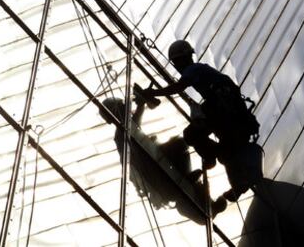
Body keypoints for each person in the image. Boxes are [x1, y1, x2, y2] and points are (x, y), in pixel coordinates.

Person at [99, 94, 227, 221]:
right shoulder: (123, 131)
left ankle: (191, 179)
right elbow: (135, 123)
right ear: (115, 113)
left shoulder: (124, 130)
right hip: (157, 170)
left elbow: (136, 121)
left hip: (158, 170)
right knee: (180, 144)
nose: (127, 109)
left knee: (179, 145)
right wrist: (141, 104)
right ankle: (191, 174)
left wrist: (141, 104)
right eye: (122, 107)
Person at [141, 40, 255, 169]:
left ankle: (211, 155)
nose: (177, 66)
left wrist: (154, 92)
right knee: (226, 154)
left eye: (176, 62)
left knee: (191, 134)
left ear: (182, 59)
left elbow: (178, 87)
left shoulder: (193, 69)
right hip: (230, 115)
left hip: (222, 111)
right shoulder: (203, 70)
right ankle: (218, 154)